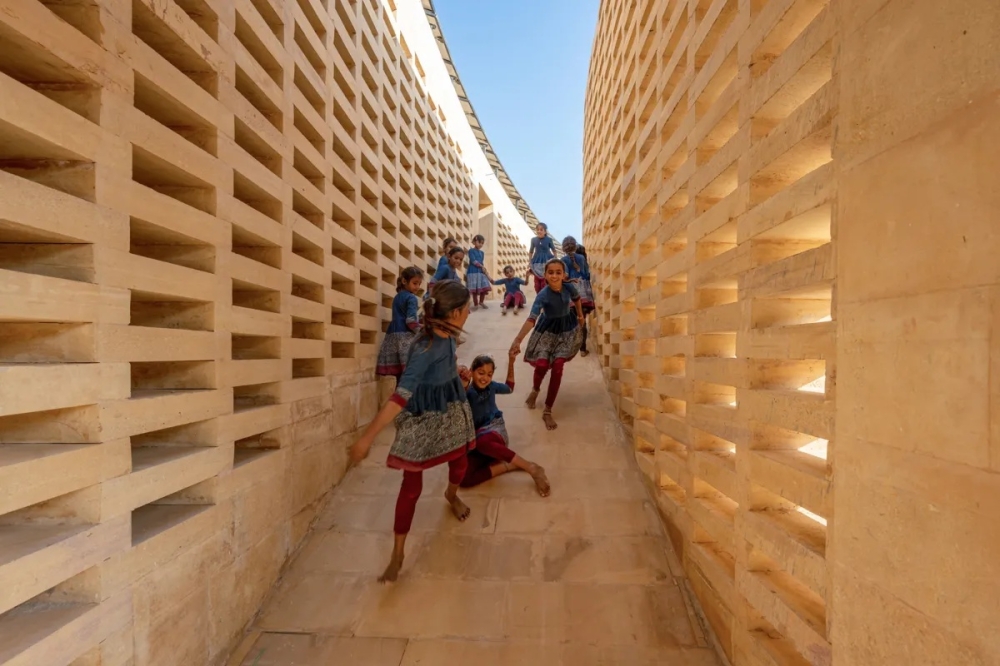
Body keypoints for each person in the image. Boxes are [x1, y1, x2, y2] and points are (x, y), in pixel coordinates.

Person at [350, 280, 476, 582]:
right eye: (468, 308)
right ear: (456, 313)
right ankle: (398, 552)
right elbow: (399, 396)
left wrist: (455, 374)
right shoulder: (424, 348)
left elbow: (447, 363)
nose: (469, 312)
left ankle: (451, 493)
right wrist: (367, 437)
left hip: (452, 403)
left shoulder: (448, 336)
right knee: (411, 486)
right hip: (421, 414)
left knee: (460, 462)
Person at [460, 353, 550, 496]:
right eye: (481, 373)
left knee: (483, 442)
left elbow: (509, 387)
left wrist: (511, 361)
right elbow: (459, 402)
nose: (485, 378)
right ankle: (510, 465)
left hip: (494, 432)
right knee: (463, 478)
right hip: (476, 441)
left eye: (489, 374)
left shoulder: (492, 386)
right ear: (472, 371)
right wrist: (463, 384)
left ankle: (531, 468)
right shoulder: (468, 392)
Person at [510, 259, 584, 430]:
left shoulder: (569, 287)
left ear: (564, 274)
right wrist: (518, 339)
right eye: (551, 272)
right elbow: (531, 319)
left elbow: (577, 299)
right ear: (545, 275)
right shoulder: (542, 295)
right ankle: (535, 390)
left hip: (566, 329)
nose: (555, 275)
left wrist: (580, 315)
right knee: (542, 365)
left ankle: (548, 410)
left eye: (559, 272)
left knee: (558, 366)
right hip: (547, 330)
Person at [375, 267, 423, 379]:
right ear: (404, 281)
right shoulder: (411, 298)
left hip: (392, 336)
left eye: (419, 284)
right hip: (405, 338)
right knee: (409, 376)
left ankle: (398, 396)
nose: (417, 287)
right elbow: (411, 321)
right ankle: (405, 396)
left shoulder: (397, 297)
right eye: (415, 283)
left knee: (400, 376)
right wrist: (423, 330)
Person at [561, 236, 595, 357]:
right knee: (582, 321)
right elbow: (586, 274)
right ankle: (582, 350)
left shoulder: (563, 260)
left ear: (564, 248)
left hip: (571, 294)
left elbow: (564, 277)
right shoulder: (581, 258)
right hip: (584, 294)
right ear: (575, 246)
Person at [526, 222, 556, 293]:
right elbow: (531, 251)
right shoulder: (533, 240)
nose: (539, 231)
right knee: (537, 284)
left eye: (541, 230)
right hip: (536, 262)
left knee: (545, 283)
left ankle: (545, 298)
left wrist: (555, 260)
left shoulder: (549, 240)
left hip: (547, 262)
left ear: (545, 231)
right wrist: (529, 261)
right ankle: (539, 297)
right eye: (538, 229)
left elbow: (554, 250)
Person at [466, 234, 492, 310]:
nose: (480, 244)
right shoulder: (471, 251)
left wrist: (484, 269)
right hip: (473, 271)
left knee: (484, 286)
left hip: (480, 272)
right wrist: (481, 266)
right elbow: (473, 260)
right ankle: (476, 304)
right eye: (479, 242)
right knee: (474, 289)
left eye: (482, 243)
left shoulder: (482, 253)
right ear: (474, 242)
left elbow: (481, 262)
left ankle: (481, 301)